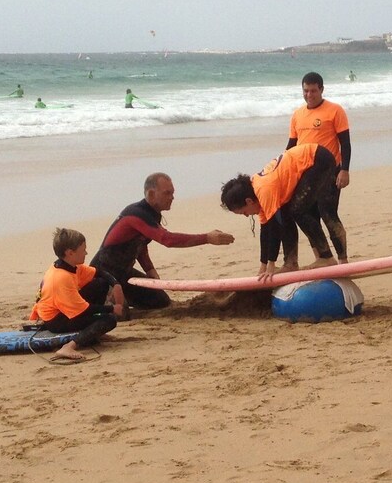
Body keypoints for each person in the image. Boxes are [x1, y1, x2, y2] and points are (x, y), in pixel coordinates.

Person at [91, 172, 234, 309]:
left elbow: (140, 244)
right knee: (119, 314)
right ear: (151, 194)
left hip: (124, 272)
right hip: (103, 274)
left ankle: (126, 300)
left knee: (160, 301)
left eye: (172, 193)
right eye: (167, 193)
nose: (172, 197)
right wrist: (207, 238)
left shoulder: (152, 214)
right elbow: (168, 240)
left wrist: (150, 270)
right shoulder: (136, 214)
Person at [221, 143, 347, 281]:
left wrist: (271, 265)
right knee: (287, 215)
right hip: (309, 160)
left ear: (248, 201)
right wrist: (263, 266)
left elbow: (275, 229)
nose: (246, 216)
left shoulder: (264, 190)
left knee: (298, 211)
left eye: (243, 212)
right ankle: (291, 263)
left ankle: (326, 257)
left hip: (317, 159)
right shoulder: (257, 193)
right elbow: (266, 231)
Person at [30, 228, 126, 361]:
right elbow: (83, 310)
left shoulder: (70, 266)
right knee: (109, 320)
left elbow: (99, 272)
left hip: (65, 309)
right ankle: (68, 347)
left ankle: (94, 333)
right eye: (83, 250)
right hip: (55, 320)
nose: (86, 252)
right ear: (70, 253)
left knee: (100, 284)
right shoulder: (61, 278)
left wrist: (116, 284)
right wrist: (113, 309)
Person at [286, 72, 351, 263]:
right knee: (307, 216)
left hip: (329, 173)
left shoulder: (335, 110)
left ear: (321, 90)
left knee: (328, 214)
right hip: (305, 175)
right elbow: (291, 145)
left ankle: (343, 261)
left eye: (313, 91)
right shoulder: (298, 114)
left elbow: (345, 144)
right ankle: (322, 259)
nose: (309, 95)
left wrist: (344, 170)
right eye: (306, 91)